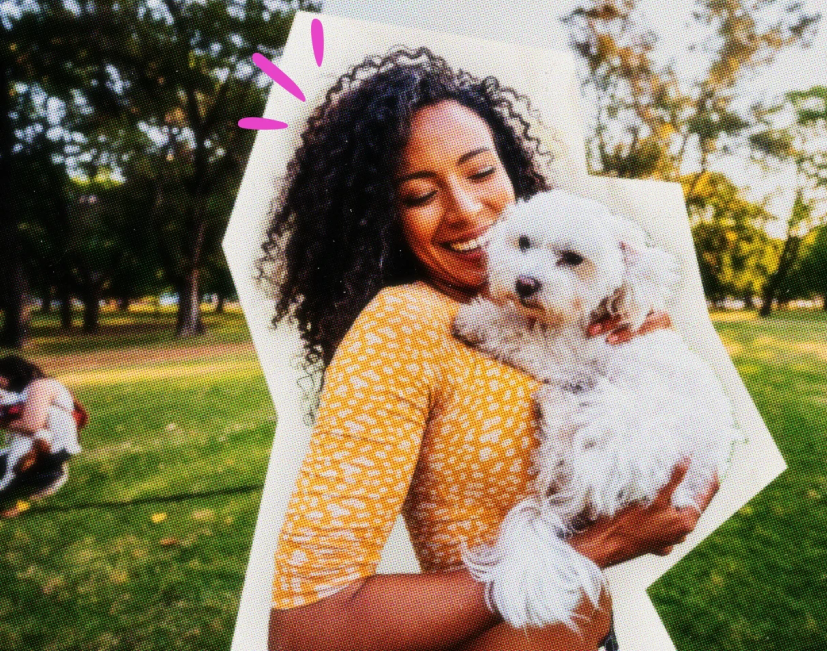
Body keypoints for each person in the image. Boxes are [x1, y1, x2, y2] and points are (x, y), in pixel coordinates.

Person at [262, 48, 719, 651]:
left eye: (481, 173)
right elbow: (305, 631)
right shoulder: (402, 326)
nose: (468, 208)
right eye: (420, 194)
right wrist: (601, 546)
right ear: (381, 217)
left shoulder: (555, 307)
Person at [0, 355, 82, 514]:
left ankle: (50, 475)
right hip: (43, 447)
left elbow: (32, 426)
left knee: (9, 475)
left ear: (8, 375)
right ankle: (45, 474)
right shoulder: (27, 389)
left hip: (50, 449)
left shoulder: (40, 386)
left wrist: (3, 421)